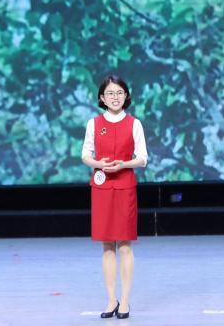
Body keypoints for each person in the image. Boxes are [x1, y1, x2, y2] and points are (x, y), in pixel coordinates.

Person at [81, 74, 148, 319]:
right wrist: (99, 163)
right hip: (101, 188)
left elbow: (143, 158)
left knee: (125, 245)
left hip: (125, 186)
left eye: (119, 93)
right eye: (110, 93)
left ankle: (125, 302)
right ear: (102, 97)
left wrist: (123, 164)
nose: (115, 97)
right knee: (107, 245)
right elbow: (85, 155)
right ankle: (111, 300)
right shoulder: (94, 123)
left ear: (126, 96)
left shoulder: (134, 124)